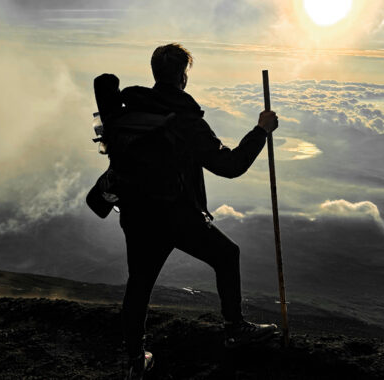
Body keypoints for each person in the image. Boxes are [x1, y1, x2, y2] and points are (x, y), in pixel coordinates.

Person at [118, 43, 279, 380]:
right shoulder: (184, 118)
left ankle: (135, 358)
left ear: (155, 73)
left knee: (140, 283)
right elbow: (230, 165)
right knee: (226, 254)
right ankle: (235, 329)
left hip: (135, 212)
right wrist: (261, 130)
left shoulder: (133, 107)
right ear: (183, 76)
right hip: (175, 215)